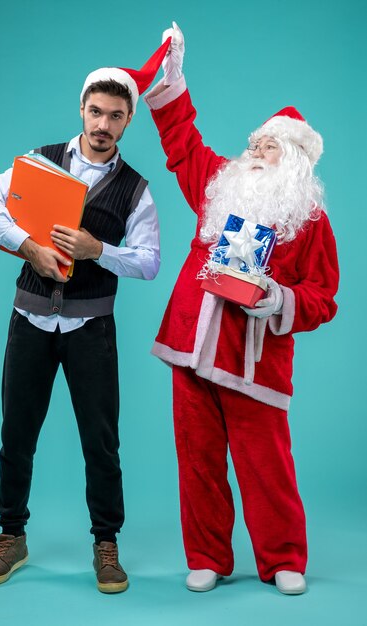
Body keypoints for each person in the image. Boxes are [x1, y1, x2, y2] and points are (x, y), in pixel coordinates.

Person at [0, 39, 171, 593]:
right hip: (29, 319)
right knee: (17, 433)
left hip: (91, 329)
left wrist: (97, 250)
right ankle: (11, 537)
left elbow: (151, 262)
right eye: (96, 111)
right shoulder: (40, 161)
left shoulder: (136, 190)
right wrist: (26, 246)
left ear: (129, 122)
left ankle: (107, 545)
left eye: (116, 115)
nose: (104, 123)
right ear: (81, 110)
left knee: (100, 441)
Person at [143, 23, 339, 595]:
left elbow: (324, 296)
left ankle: (283, 559)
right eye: (253, 143)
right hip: (192, 344)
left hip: (255, 360)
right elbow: (182, 141)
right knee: (197, 460)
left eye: (268, 145)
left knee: (265, 464)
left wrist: (279, 300)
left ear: (296, 159)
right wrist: (174, 79)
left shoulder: (311, 221)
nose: (253, 152)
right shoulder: (218, 184)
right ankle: (207, 554)